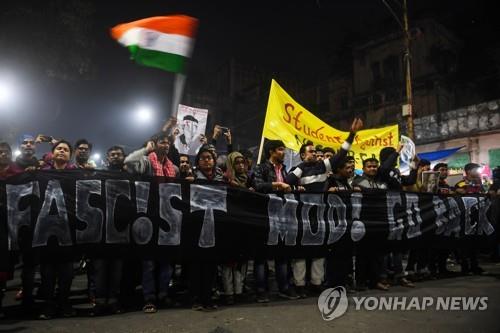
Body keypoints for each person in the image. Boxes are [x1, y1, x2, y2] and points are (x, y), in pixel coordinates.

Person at [285, 118, 363, 297]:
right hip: (302, 217)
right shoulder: (299, 169)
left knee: (319, 250)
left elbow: (341, 154)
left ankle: (316, 283)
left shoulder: (323, 166)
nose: (316, 153)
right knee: (301, 252)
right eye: (311, 151)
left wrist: (352, 134)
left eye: (316, 151)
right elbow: (287, 183)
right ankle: (299, 285)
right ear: (303, 155)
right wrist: (301, 169)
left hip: (320, 215)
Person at [125, 133, 179, 314]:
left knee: (166, 261)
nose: (166, 145)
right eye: (162, 142)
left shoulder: (174, 168)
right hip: (148, 217)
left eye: (168, 143)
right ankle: (149, 298)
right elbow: (129, 162)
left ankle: (163, 294)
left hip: (168, 219)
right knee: (148, 262)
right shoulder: (147, 162)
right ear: (154, 145)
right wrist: (146, 150)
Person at [252, 140, 299, 302]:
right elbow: (257, 185)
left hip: (283, 215)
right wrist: (276, 185)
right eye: (280, 149)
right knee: (261, 255)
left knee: (282, 253)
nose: (283, 152)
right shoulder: (261, 168)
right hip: (265, 216)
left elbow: (289, 188)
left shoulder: (285, 170)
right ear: (271, 151)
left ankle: (284, 287)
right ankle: (261, 290)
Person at [38, 140, 76, 320]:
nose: (62, 151)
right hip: (46, 231)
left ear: (70, 155)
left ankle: (64, 302)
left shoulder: (76, 175)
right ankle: (48, 305)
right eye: (59, 149)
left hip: (68, 230)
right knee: (47, 271)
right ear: (52, 153)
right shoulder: (40, 174)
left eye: (66, 149)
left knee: (67, 271)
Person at [377, 142, 418, 288]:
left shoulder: (395, 171)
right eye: (393, 156)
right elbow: (385, 168)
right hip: (384, 214)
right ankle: (382, 277)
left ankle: (399, 275)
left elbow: (409, 181)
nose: (397, 158)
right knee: (383, 248)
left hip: (397, 213)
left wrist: (414, 167)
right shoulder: (381, 171)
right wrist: (397, 151)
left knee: (397, 246)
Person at [188, 147, 223, 311]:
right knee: (196, 265)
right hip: (196, 226)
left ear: (214, 160)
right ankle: (196, 298)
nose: (206, 160)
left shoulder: (221, 178)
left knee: (210, 265)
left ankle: (208, 297)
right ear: (198, 161)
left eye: (209, 158)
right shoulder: (192, 177)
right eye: (202, 158)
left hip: (215, 227)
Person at [351, 158, 390, 291]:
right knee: (362, 254)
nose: (373, 168)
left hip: (380, 221)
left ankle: (375, 281)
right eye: (370, 166)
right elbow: (373, 192)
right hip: (364, 222)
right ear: (363, 168)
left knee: (377, 254)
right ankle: (361, 282)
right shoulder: (358, 181)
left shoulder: (382, 181)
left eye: (375, 166)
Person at [221, 152, 252, 305]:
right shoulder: (225, 180)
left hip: (243, 225)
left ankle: (239, 292)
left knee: (241, 260)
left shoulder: (248, 179)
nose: (240, 165)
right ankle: (228, 293)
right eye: (237, 163)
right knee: (228, 261)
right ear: (231, 165)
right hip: (228, 224)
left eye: (242, 162)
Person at [0, 142, 23, 318]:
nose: (3, 154)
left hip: (8, 226)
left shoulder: (17, 174)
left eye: (6, 152)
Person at [454, 163, 485, 275]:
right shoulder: (460, 184)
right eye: (475, 169)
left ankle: (475, 265)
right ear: (468, 171)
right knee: (465, 242)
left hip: (478, 216)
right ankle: (465, 267)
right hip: (464, 217)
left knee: (475, 241)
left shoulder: (479, 183)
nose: (477, 172)